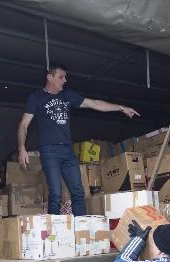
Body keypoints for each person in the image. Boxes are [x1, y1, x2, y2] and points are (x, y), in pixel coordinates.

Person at [17, 63, 140, 216]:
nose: (65, 80)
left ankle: (81, 228)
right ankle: (54, 232)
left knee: (78, 192)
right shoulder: (36, 98)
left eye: (65, 77)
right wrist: (22, 147)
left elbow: (94, 103)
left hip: (68, 151)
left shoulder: (67, 96)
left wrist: (121, 108)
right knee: (55, 193)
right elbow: (23, 125)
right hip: (50, 151)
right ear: (50, 77)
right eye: (61, 77)